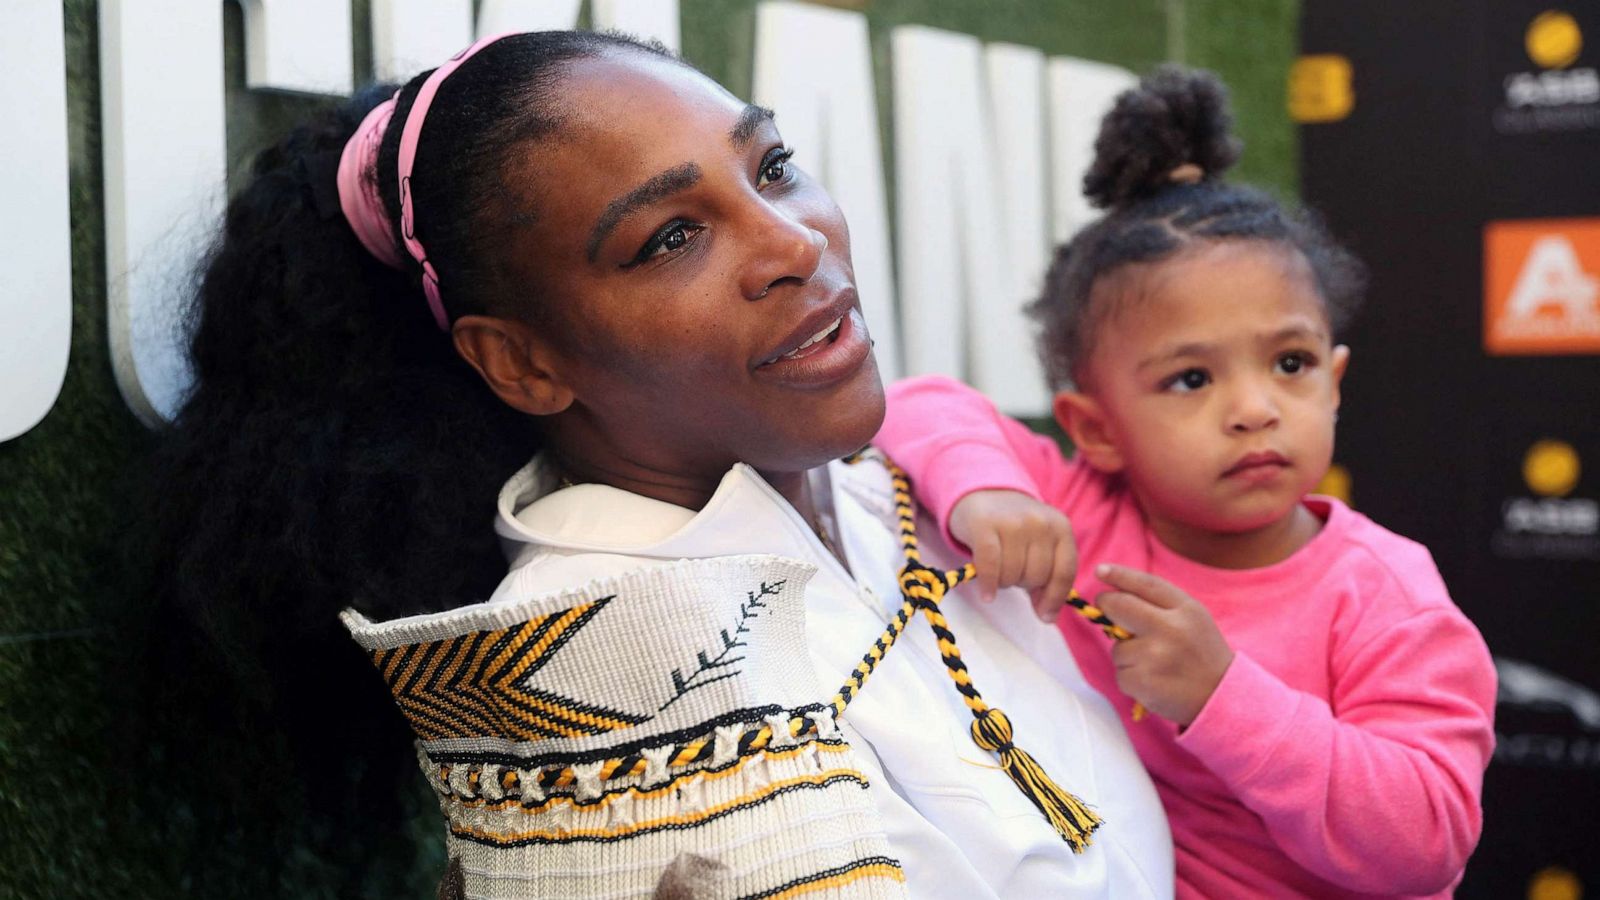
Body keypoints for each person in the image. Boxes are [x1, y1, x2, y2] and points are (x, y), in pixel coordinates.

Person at [146, 30, 1172, 899]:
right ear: (523, 360)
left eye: (772, 166)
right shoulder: (596, 690)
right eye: (671, 236)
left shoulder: (906, 494)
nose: (791, 243)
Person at [875, 66, 1496, 899]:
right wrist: (989, 489)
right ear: (1096, 428)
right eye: (1191, 380)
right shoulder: (1080, 516)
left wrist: (1223, 697)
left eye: (1290, 363)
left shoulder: (1385, 593)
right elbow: (917, 404)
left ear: (1335, 379)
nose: (1253, 409)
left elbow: (1427, 839)